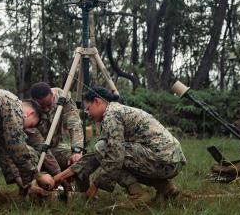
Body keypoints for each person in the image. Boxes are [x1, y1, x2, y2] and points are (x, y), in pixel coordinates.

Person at [54, 87, 186, 207]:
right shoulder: (117, 110)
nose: (88, 114)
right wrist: (60, 176)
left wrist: (94, 187)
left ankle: (138, 195)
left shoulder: (112, 115)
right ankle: (166, 189)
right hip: (170, 161)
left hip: (162, 160)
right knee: (105, 149)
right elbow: (94, 157)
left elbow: (113, 157)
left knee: (107, 150)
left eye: (88, 108)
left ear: (97, 101)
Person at [29, 82, 85, 189]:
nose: (46, 109)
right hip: (37, 150)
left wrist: (77, 151)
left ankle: (82, 193)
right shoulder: (28, 108)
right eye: (41, 106)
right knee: (29, 163)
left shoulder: (62, 96)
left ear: (52, 96)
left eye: (48, 105)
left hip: (56, 146)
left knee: (80, 160)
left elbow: (74, 123)